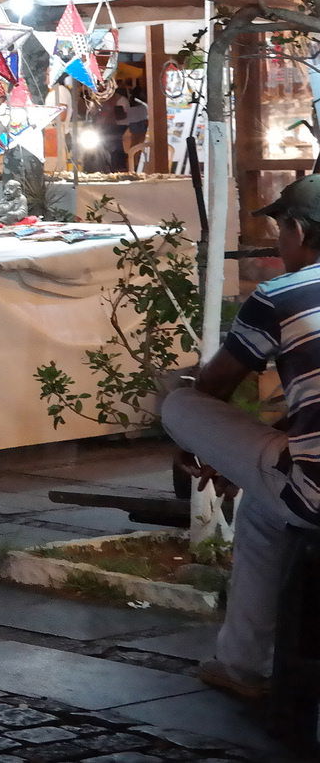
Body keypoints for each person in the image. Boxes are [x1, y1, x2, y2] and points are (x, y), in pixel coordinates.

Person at [159, 174, 320, 700]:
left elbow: (214, 386)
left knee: (181, 401)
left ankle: (243, 665)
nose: (277, 241)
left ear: (297, 229)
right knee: (261, 509)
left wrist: (204, 445)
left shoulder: (279, 296)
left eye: (279, 227)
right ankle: (239, 662)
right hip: (299, 476)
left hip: (315, 493)